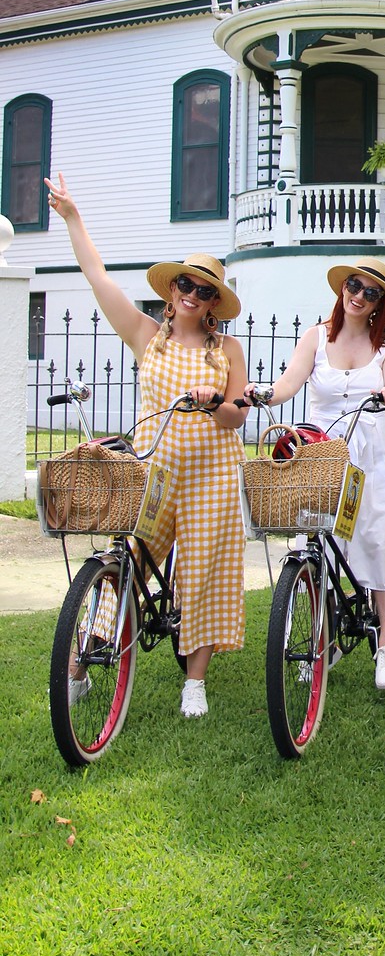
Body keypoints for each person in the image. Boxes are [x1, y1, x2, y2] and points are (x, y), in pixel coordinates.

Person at [44, 172, 248, 719]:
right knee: (126, 563)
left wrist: (214, 401)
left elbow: (236, 418)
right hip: (153, 471)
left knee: (205, 572)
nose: (193, 295)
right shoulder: (144, 335)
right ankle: (82, 660)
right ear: (172, 289)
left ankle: (195, 683)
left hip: (212, 478)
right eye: (187, 284)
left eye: (206, 291)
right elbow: (96, 277)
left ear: (214, 303)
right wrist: (72, 218)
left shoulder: (227, 347)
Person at [246, 260, 385, 691]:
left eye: (370, 292)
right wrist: (264, 392)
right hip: (320, 451)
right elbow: (287, 384)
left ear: (380, 305)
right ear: (343, 288)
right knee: (317, 541)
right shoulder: (316, 337)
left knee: (379, 539)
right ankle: (325, 636)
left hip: (372, 451)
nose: (358, 295)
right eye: (353, 286)